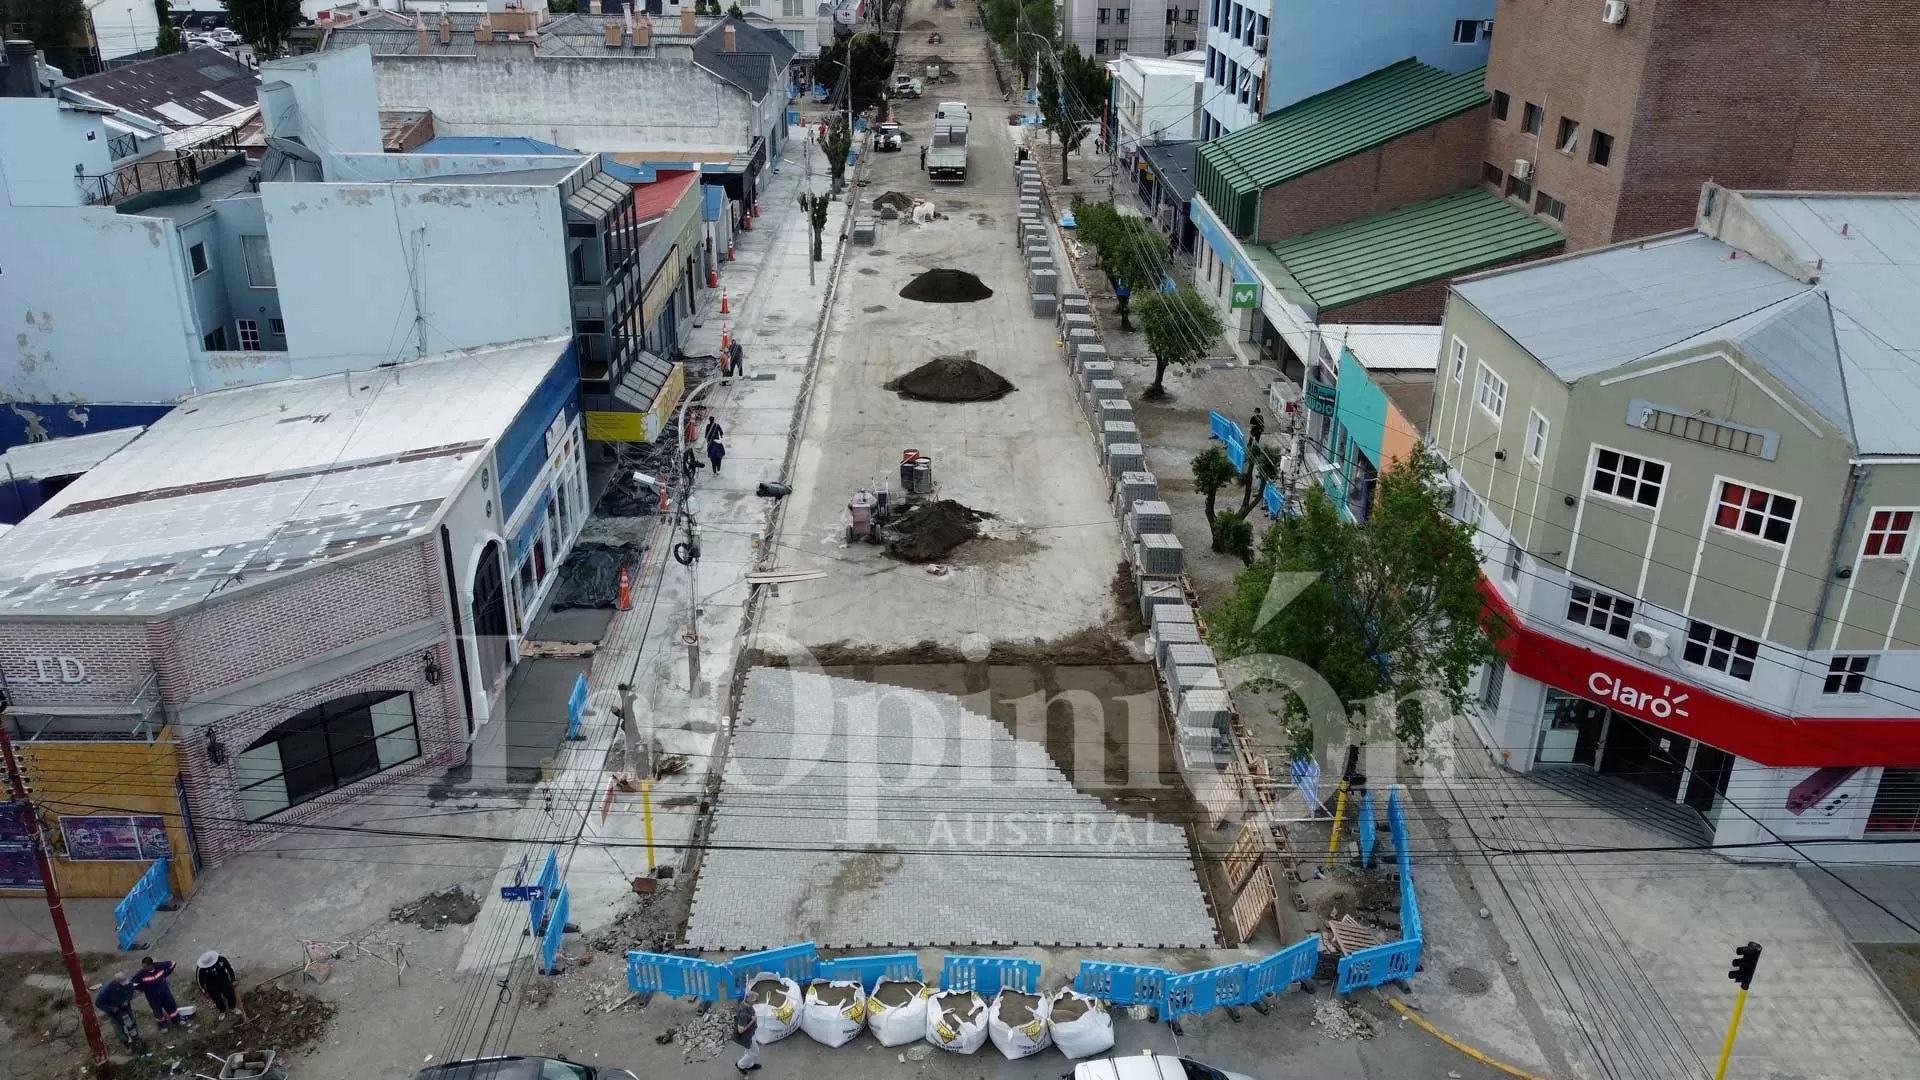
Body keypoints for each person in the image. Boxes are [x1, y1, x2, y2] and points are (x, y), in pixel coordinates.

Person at [132, 956, 182, 1028]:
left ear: (151, 965)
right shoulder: (141, 974)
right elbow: (133, 983)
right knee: (157, 1012)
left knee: (171, 1007)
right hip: (153, 997)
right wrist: (143, 988)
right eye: (143, 966)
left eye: (145, 966)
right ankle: (163, 1026)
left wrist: (166, 974)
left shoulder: (159, 966)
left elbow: (173, 963)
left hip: (165, 993)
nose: (143, 968)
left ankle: (176, 1021)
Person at [93, 973, 140, 1046]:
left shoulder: (127, 984)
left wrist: (127, 1000)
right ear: (116, 982)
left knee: (131, 1024)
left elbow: (131, 991)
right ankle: (126, 1044)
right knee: (118, 1028)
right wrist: (111, 1008)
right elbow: (98, 1003)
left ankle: (136, 1039)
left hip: (125, 1008)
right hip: (114, 1012)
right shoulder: (106, 990)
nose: (124, 984)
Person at [196, 951, 242, 1019]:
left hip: (224, 980)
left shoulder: (221, 960)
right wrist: (204, 991)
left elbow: (229, 968)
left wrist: (233, 979)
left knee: (230, 994)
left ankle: (232, 1007)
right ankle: (222, 1011)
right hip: (211, 985)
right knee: (217, 999)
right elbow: (199, 981)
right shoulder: (201, 968)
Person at [733, 997, 761, 1072]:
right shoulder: (743, 1014)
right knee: (755, 1052)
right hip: (747, 1036)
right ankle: (740, 1065)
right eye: (754, 1001)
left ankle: (749, 1065)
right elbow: (740, 1030)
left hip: (751, 1033)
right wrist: (753, 1020)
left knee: (749, 1051)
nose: (756, 1002)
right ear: (750, 1002)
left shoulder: (746, 1005)